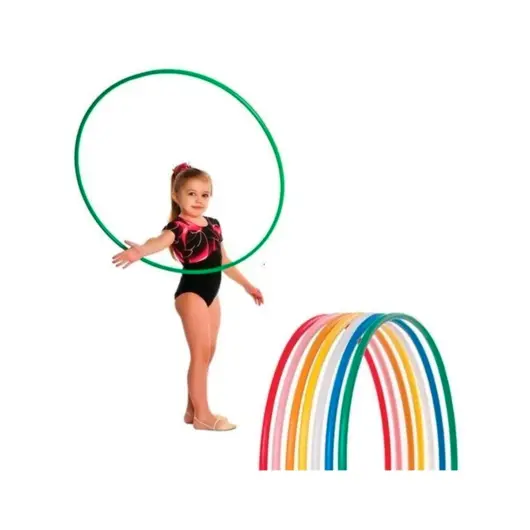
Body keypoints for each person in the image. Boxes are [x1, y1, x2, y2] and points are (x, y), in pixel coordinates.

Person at [111, 163, 264, 431]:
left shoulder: (214, 225)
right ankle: (204, 416)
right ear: (176, 195)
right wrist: (139, 252)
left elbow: (223, 260)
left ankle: (192, 409)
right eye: (191, 194)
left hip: (212, 295)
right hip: (191, 293)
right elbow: (158, 242)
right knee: (200, 353)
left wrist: (248, 286)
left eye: (205, 194)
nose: (198, 200)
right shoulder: (177, 227)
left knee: (209, 352)